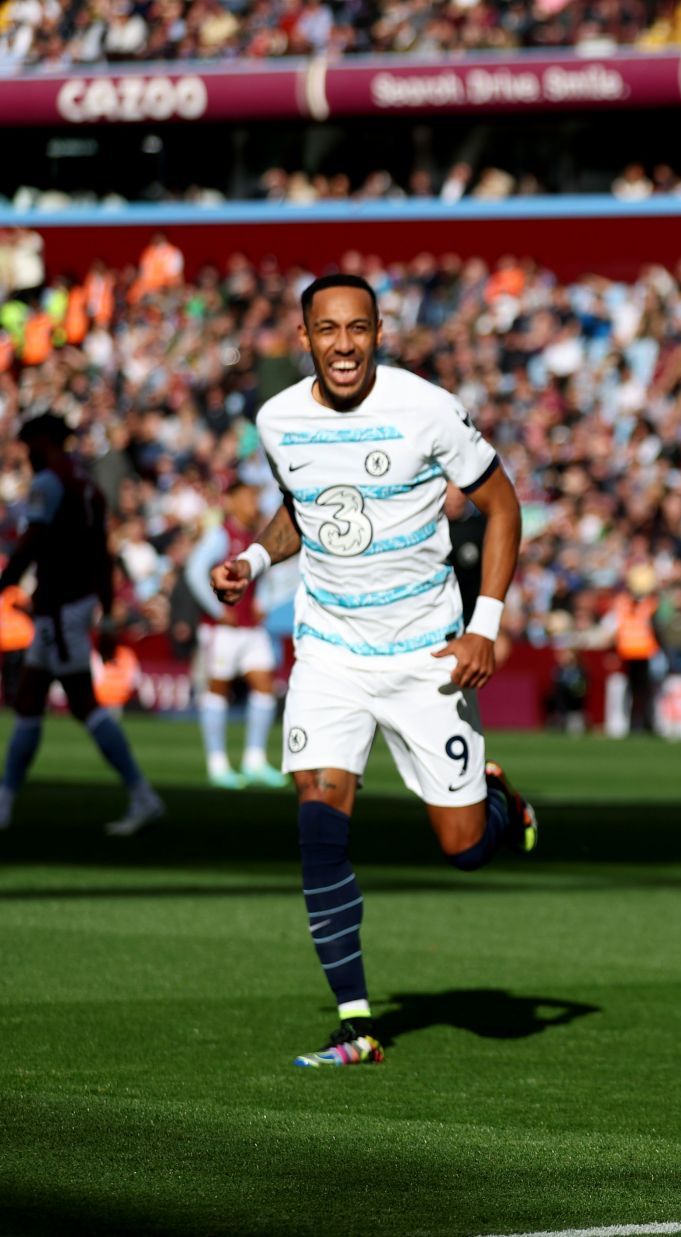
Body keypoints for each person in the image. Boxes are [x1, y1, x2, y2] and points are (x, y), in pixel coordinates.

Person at [209, 273, 536, 1069]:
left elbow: (503, 505)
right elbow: (307, 510)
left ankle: (504, 801)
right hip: (331, 655)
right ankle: (357, 1022)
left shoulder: (425, 406)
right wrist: (253, 557)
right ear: (306, 337)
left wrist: (483, 626)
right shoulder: (276, 419)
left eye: (358, 328)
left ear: (380, 330)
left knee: (463, 846)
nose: (344, 344)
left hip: (428, 655)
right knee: (318, 823)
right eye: (328, 330)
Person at [0, 415, 165, 834]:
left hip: (59, 606)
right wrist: (107, 614)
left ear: (44, 441)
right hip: (72, 604)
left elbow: (31, 544)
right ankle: (5, 800)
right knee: (30, 702)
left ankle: (142, 795)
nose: (26, 453)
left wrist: (3, 583)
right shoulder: (86, 483)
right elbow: (102, 555)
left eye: (29, 444)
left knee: (82, 704)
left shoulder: (50, 484)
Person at [184, 482, 289, 788]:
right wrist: (217, 611)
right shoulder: (221, 534)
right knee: (218, 691)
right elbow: (194, 571)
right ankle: (217, 764)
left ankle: (254, 760)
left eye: (253, 497)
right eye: (246, 497)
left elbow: (266, 576)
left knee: (264, 687)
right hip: (222, 629)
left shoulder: (256, 536)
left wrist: (261, 602)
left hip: (250, 628)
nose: (251, 503)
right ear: (230, 502)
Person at [608, 567, 660, 735]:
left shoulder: (625, 601)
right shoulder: (645, 603)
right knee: (638, 690)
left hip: (636, 652)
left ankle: (640, 723)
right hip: (635, 652)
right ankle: (638, 724)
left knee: (638, 691)